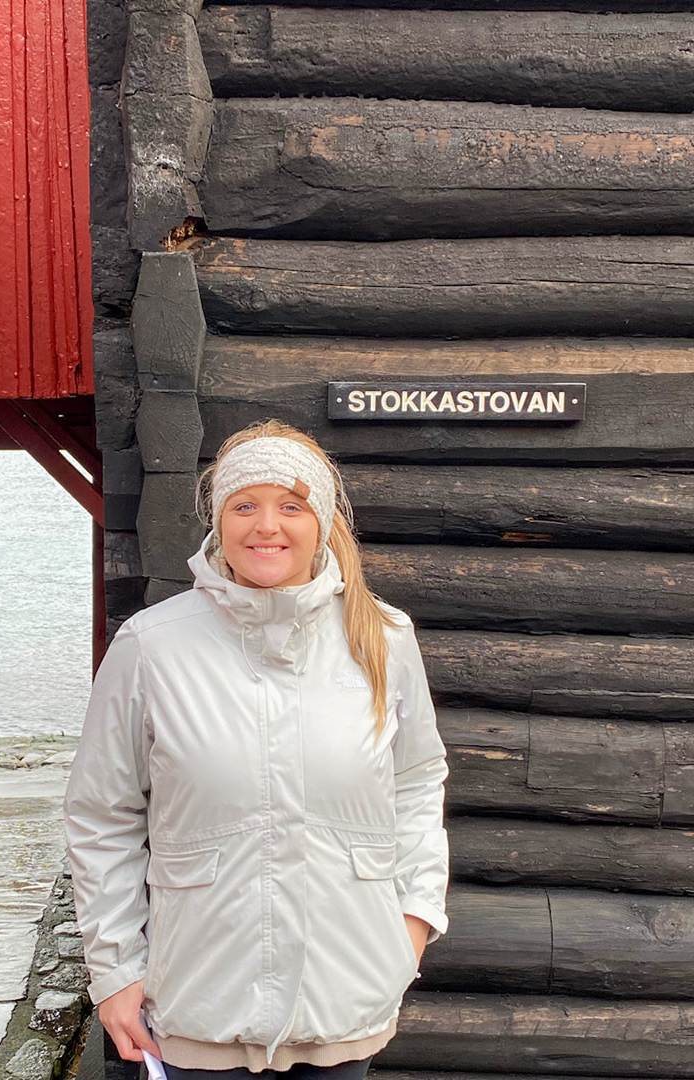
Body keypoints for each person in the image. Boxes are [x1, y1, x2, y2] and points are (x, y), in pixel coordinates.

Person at [65, 419, 450, 1079]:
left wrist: (411, 923)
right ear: (218, 521)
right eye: (245, 505)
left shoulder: (384, 637)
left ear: (322, 522)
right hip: (200, 1003)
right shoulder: (152, 646)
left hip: (346, 1000)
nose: (267, 526)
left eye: (291, 506)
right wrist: (115, 970)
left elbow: (416, 782)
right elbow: (103, 815)